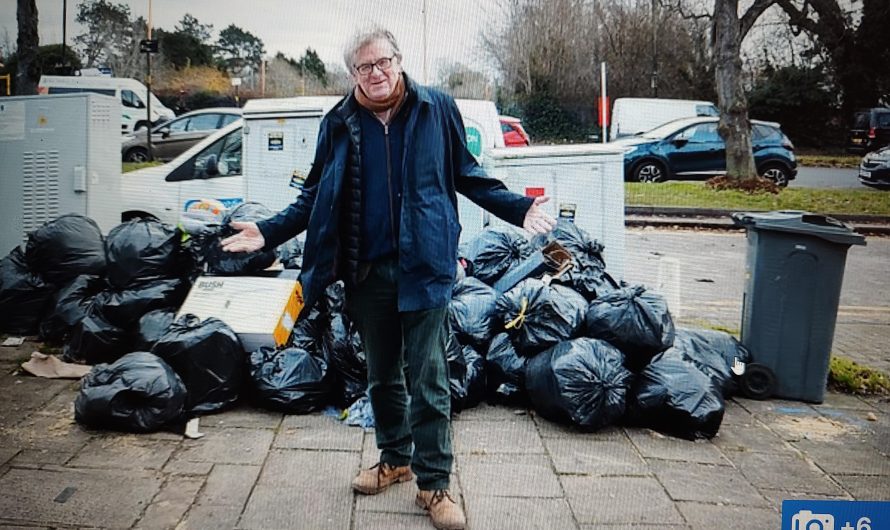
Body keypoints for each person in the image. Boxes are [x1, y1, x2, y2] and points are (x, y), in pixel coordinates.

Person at [221, 27, 555, 530]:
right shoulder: (338, 122)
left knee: (429, 377)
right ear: (352, 73)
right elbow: (313, 196)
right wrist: (267, 231)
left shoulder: (436, 108)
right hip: (367, 269)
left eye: (383, 62)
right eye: (364, 66)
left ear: (398, 61)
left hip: (426, 266)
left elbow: (467, 174)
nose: (375, 73)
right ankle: (395, 458)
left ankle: (434, 484)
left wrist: (518, 208)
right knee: (381, 375)